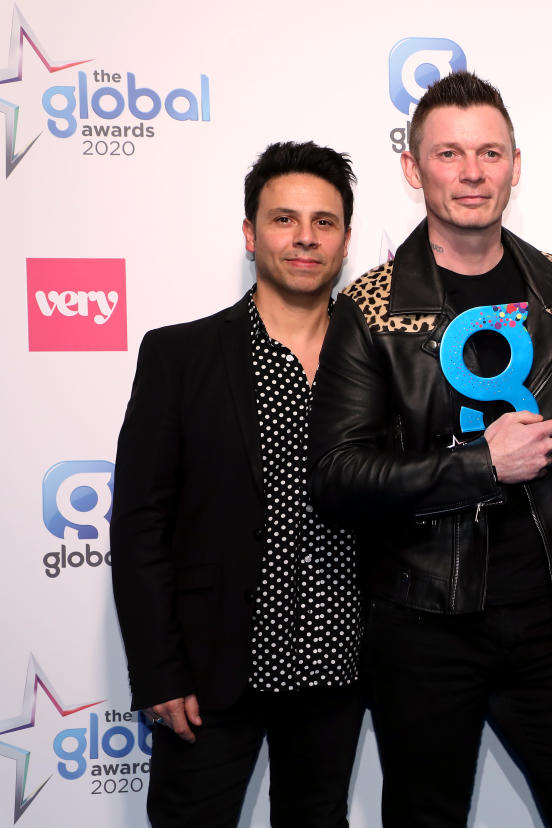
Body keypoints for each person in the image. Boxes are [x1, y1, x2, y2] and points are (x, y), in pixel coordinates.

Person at [308, 71, 552, 828]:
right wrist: (478, 466)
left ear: (515, 166)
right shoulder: (368, 309)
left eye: (489, 153)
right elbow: (335, 475)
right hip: (422, 624)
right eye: (449, 154)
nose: (470, 173)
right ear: (412, 168)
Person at [111, 141, 365, 827]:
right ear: (251, 235)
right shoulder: (180, 356)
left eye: (324, 222)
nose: (305, 238)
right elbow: (139, 523)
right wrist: (158, 671)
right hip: (213, 665)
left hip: (340, 660)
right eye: (284, 220)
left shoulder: (381, 361)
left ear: (345, 240)